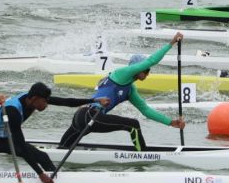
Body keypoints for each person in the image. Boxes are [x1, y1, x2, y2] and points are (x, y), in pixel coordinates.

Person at [58, 33, 186, 151]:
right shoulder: (122, 73)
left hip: (84, 117)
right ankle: (143, 155)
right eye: (146, 70)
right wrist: (171, 43)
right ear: (136, 68)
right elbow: (151, 60)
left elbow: (146, 110)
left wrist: (170, 122)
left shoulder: (130, 89)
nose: (148, 73)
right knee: (133, 125)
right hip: (91, 116)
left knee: (61, 150)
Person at [0, 82, 109, 183]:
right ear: (35, 99)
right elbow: (21, 146)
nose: (46, 105)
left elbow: (66, 102)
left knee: (43, 157)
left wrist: (94, 100)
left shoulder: (31, 97)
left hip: (6, 139)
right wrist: (40, 174)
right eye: (44, 102)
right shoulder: (13, 111)